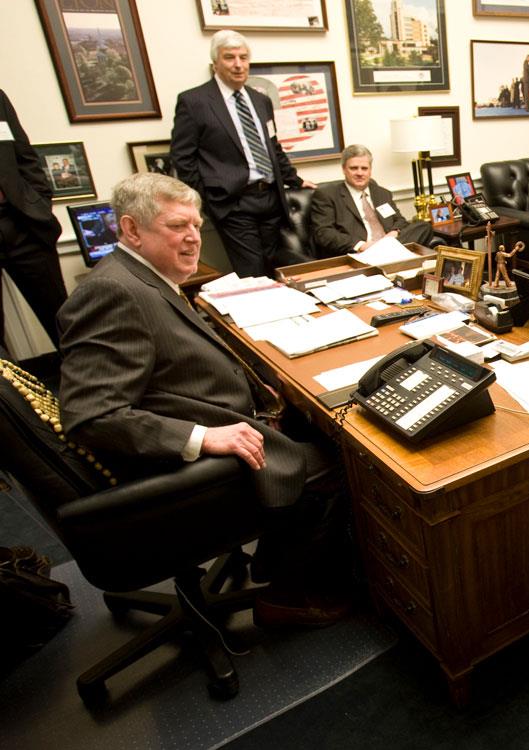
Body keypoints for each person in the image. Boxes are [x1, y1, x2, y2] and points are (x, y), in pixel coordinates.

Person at [56, 172, 349, 626]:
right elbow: (92, 415)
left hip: (229, 418)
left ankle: (272, 563)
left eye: (196, 225)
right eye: (178, 226)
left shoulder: (145, 277)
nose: (194, 238)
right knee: (344, 458)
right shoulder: (113, 291)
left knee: (315, 423)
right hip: (186, 473)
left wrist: (261, 382)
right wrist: (201, 437)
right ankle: (288, 595)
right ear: (132, 230)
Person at [170, 29, 316, 278]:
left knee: (277, 268)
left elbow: (272, 146)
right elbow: (182, 158)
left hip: (270, 198)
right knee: (252, 272)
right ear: (215, 63)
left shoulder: (261, 101)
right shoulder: (195, 102)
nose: (238, 65)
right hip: (233, 203)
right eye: (229, 57)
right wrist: (205, 199)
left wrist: (294, 178)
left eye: (243, 57)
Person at [0, 88, 68, 348]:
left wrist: (39, 201)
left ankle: (91, 386)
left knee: (63, 321)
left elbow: (24, 155)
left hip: (22, 221)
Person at [308, 144, 433, 258]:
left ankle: (386, 254)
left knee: (424, 226)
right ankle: (388, 256)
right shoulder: (327, 195)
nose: (359, 173)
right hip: (360, 252)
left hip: (391, 244)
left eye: (364, 168)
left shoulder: (382, 193)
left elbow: (400, 220)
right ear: (344, 169)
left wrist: (394, 232)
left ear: (370, 170)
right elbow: (323, 233)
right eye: (354, 168)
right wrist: (361, 245)